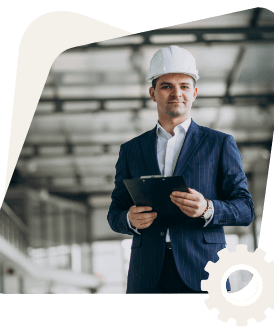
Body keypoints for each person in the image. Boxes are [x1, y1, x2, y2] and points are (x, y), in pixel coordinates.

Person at [107, 45, 255, 294]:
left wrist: (208, 208)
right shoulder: (131, 150)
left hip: (205, 270)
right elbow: (115, 213)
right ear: (153, 93)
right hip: (148, 275)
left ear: (194, 92)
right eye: (166, 86)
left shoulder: (219, 144)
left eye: (184, 86)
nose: (177, 93)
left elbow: (245, 209)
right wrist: (129, 219)